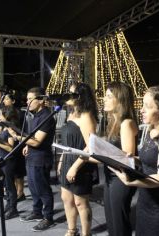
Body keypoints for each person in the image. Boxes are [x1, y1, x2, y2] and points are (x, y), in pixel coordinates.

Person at [113, 86, 159, 236]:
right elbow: (149, 161)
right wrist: (130, 159)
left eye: (147, 106)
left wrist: (130, 181)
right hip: (146, 202)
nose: (142, 110)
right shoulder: (152, 130)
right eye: (143, 105)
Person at [9, 87, 56, 231]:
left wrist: (18, 137)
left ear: (41, 100)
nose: (27, 102)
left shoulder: (47, 117)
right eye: (27, 99)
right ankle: (37, 212)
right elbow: (31, 138)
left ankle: (48, 217)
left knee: (43, 188)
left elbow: (36, 141)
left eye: (31, 99)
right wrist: (27, 146)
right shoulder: (35, 115)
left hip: (41, 158)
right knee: (33, 187)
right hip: (32, 156)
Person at [57, 82, 98, 236]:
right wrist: (62, 161)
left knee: (80, 202)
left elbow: (90, 146)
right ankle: (72, 230)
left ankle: (87, 233)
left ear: (81, 97)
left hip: (81, 163)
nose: (69, 95)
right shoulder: (71, 114)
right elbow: (67, 142)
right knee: (66, 198)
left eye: (72, 93)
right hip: (68, 159)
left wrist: (75, 166)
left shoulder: (86, 116)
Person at [101, 81, 138, 236]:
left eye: (109, 96)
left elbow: (127, 157)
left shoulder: (126, 123)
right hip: (110, 175)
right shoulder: (113, 121)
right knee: (111, 220)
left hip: (120, 178)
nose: (104, 99)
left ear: (120, 100)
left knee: (119, 223)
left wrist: (100, 152)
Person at [3, 93, 26, 202]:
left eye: (7, 99)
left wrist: (4, 121)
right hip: (12, 141)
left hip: (18, 142)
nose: (4, 101)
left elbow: (14, 129)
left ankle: (20, 192)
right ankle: (18, 192)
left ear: (13, 101)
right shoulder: (6, 111)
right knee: (15, 170)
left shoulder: (18, 113)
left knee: (18, 170)